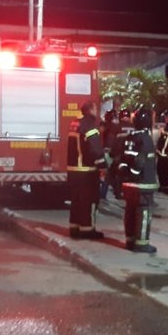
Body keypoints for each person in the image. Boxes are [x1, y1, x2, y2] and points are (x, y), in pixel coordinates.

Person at [66, 101, 108, 239]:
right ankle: (87, 230)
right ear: (91, 110)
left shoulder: (75, 124)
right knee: (89, 201)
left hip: (73, 170)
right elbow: (95, 149)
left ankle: (74, 228)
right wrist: (103, 166)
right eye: (96, 109)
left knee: (76, 201)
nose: (97, 112)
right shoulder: (90, 126)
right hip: (87, 171)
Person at [120, 108, 158, 253]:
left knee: (130, 211)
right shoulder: (146, 139)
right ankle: (141, 243)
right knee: (143, 212)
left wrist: (126, 174)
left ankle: (130, 240)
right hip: (143, 184)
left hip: (128, 184)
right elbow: (140, 161)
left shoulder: (129, 137)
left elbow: (122, 158)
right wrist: (135, 174)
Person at [109, 110, 135, 200]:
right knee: (129, 174)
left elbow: (112, 141)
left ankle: (118, 192)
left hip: (119, 154)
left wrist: (112, 153)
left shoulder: (116, 126)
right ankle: (128, 193)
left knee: (116, 174)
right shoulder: (133, 126)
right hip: (131, 155)